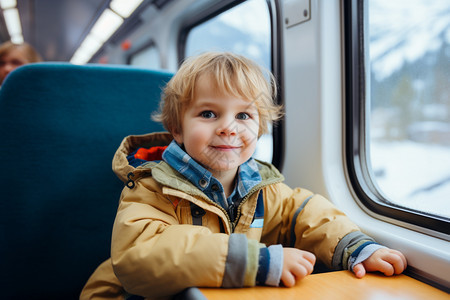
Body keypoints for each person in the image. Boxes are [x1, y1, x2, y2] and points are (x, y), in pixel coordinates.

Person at [80, 52, 407, 299]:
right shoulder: (151, 188)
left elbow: (307, 213)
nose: (228, 126)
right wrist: (257, 261)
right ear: (177, 129)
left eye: (244, 115)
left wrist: (357, 249)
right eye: (208, 113)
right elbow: (142, 256)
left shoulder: (262, 188)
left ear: (260, 127)